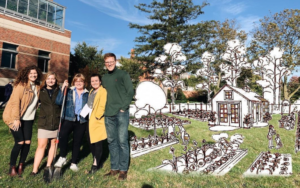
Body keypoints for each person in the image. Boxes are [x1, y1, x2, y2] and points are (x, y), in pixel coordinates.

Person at [3, 65, 42, 177]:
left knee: (27, 142)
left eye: (35, 73)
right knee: (20, 142)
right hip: (15, 117)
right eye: (31, 73)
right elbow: (15, 103)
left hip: (29, 119)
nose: (33, 75)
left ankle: (21, 164)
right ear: (26, 74)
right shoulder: (21, 85)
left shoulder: (37, 86)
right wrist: (16, 119)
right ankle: (12, 167)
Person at [102, 53, 134, 180]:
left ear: (115, 62)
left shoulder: (123, 74)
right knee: (112, 141)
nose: (109, 64)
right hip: (108, 113)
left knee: (122, 141)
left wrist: (123, 107)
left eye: (111, 61)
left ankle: (123, 170)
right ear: (105, 63)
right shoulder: (104, 78)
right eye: (107, 62)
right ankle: (114, 168)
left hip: (121, 113)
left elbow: (130, 91)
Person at [54, 73, 89, 172]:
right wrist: (63, 88)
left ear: (84, 82)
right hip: (69, 119)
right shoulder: (69, 91)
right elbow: (58, 102)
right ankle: (63, 157)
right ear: (74, 82)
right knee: (62, 136)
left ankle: (73, 163)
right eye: (76, 81)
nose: (79, 83)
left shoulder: (87, 93)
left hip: (81, 121)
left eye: (81, 81)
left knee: (77, 142)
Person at [31, 72, 61, 176]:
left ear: (56, 80)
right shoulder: (40, 90)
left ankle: (48, 166)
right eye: (49, 79)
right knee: (41, 146)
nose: (51, 80)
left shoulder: (60, 91)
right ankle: (35, 170)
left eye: (53, 79)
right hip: (44, 122)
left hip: (56, 122)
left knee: (53, 144)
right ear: (46, 80)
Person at [86, 74, 107, 174]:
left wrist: (97, 116)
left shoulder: (103, 91)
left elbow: (102, 105)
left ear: (100, 81)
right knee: (90, 141)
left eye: (96, 80)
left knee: (98, 142)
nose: (94, 82)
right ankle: (97, 159)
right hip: (89, 119)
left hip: (97, 120)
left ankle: (95, 164)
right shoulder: (91, 91)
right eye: (92, 81)